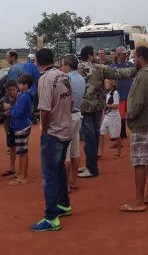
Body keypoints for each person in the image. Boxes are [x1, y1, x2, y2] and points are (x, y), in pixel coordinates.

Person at [30, 48, 73, 232]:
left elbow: (45, 110)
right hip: (66, 128)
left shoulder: (45, 79)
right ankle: (64, 204)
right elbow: (71, 102)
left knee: (49, 175)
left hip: (54, 132)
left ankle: (51, 217)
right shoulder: (64, 76)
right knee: (60, 169)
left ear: (37, 62)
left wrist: (45, 130)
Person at [77, 46, 135, 178]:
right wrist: (135, 68)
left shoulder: (77, 68)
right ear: (90, 55)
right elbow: (120, 73)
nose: (97, 56)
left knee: (89, 138)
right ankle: (91, 166)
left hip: (84, 107)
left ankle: (91, 167)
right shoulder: (100, 68)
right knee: (95, 136)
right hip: (98, 107)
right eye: (95, 54)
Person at [119, 46, 148, 212]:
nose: (133, 60)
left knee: (139, 162)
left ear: (140, 58)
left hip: (142, 123)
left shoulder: (144, 75)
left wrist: (130, 115)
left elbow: (138, 102)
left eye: (134, 57)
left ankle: (138, 201)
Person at [60, 54, 85, 191]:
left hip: (68, 116)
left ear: (68, 66)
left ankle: (65, 184)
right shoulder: (81, 78)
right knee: (75, 150)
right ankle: (73, 181)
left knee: (66, 152)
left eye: (63, 65)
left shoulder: (66, 79)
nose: (61, 67)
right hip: (78, 115)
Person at [4, 75, 34, 185]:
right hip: (21, 125)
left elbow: (18, 113)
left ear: (26, 85)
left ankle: (23, 176)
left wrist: (9, 110)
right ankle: (20, 173)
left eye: (21, 84)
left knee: (22, 152)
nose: (19, 85)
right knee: (21, 152)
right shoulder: (24, 95)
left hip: (21, 126)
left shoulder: (24, 96)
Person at [110, 46, 134, 142]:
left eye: (127, 54)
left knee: (131, 114)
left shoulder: (130, 64)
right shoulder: (112, 67)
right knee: (120, 116)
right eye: (124, 54)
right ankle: (121, 133)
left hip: (130, 93)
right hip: (119, 94)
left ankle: (133, 133)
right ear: (118, 54)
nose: (126, 55)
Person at [0, 81, 19, 178]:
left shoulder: (20, 98)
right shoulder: (3, 100)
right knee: (12, 148)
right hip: (9, 126)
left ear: (17, 89)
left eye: (13, 90)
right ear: (6, 91)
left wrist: (11, 110)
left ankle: (22, 170)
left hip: (20, 126)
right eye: (9, 90)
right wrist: (4, 113)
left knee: (23, 149)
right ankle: (12, 168)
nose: (11, 92)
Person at [98, 79, 122, 158]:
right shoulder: (107, 93)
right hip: (107, 116)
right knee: (101, 132)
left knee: (116, 135)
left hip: (114, 117)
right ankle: (100, 152)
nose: (105, 84)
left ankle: (119, 151)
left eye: (107, 82)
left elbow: (116, 106)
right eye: (105, 82)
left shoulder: (115, 93)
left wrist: (106, 106)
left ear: (112, 83)